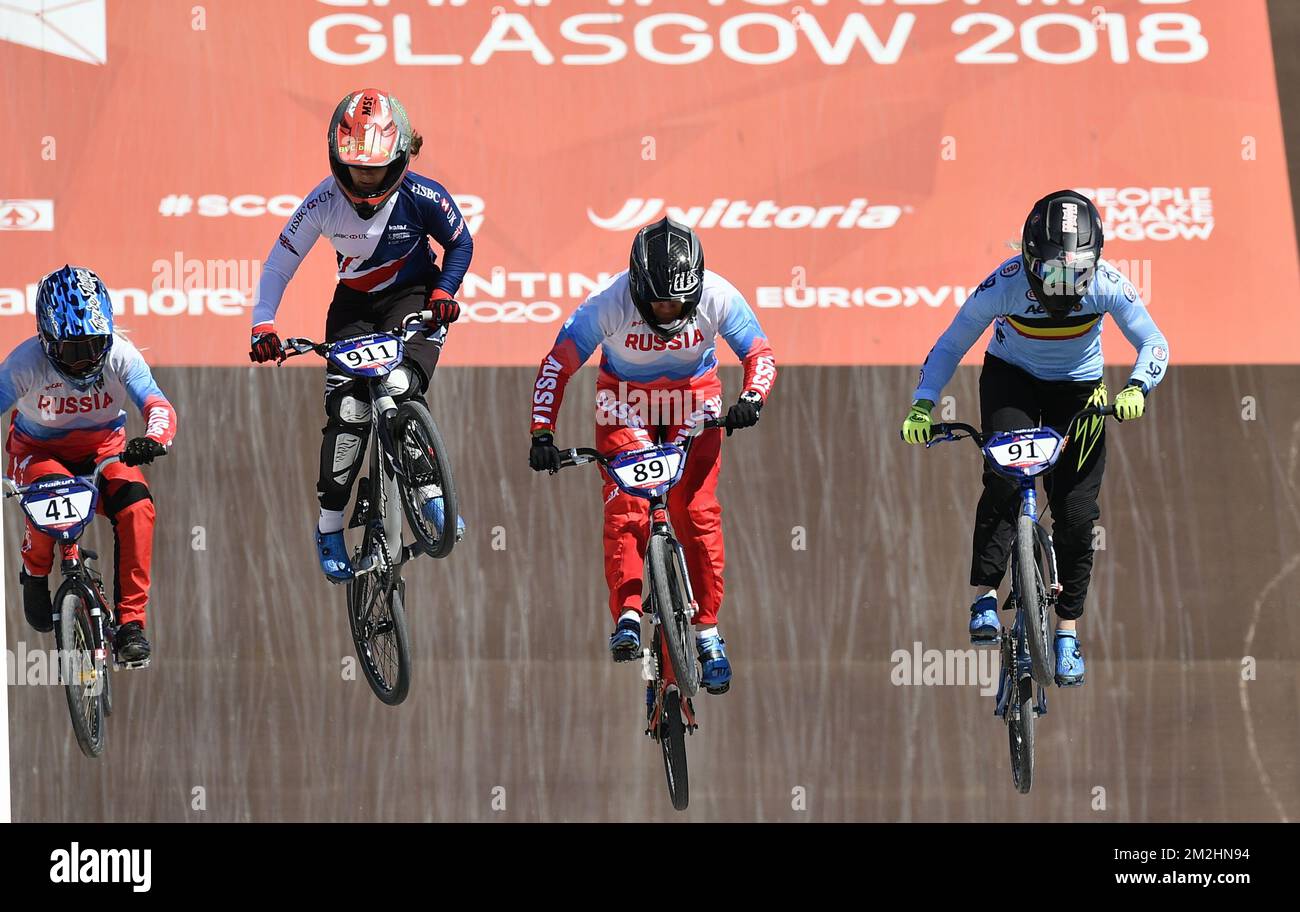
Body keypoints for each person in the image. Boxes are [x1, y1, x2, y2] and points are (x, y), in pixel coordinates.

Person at [900, 190, 1169, 686]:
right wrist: (923, 402)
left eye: (1078, 274)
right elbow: (951, 344)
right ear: (1028, 259)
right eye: (1053, 273)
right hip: (1013, 380)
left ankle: (1066, 631)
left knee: (1075, 514)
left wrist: (1137, 387)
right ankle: (984, 595)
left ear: (1098, 262)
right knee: (1003, 482)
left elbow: (1154, 342)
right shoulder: (1001, 286)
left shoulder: (1110, 286)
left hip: (1080, 391)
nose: (1066, 286)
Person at [527, 217, 777, 694]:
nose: (671, 310)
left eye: (682, 300)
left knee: (696, 512)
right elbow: (557, 363)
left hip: (695, 401)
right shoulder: (608, 303)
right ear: (638, 288)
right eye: (661, 301)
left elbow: (759, 355)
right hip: (623, 404)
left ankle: (708, 631)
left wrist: (751, 400)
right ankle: (626, 613)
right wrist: (542, 430)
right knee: (628, 508)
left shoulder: (719, 295)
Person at [248, 88, 472, 582]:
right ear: (336, 159)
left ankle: (431, 495)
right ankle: (329, 527)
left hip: (414, 298)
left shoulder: (424, 195)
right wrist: (263, 322)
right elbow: (279, 265)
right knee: (348, 411)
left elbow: (460, 242)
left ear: (399, 158)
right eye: (355, 168)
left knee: (398, 386)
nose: (365, 179)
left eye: (375, 168)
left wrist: (444, 291)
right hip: (352, 310)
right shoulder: (323, 202)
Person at [1, 265, 176, 664]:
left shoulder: (122, 357)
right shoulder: (23, 363)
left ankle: (132, 624)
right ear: (45, 340)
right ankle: (36, 569)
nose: (83, 362)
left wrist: (153, 438)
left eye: (93, 346)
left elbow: (158, 405)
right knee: (50, 498)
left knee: (138, 508)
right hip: (39, 452)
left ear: (109, 334)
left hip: (104, 451)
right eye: (70, 350)